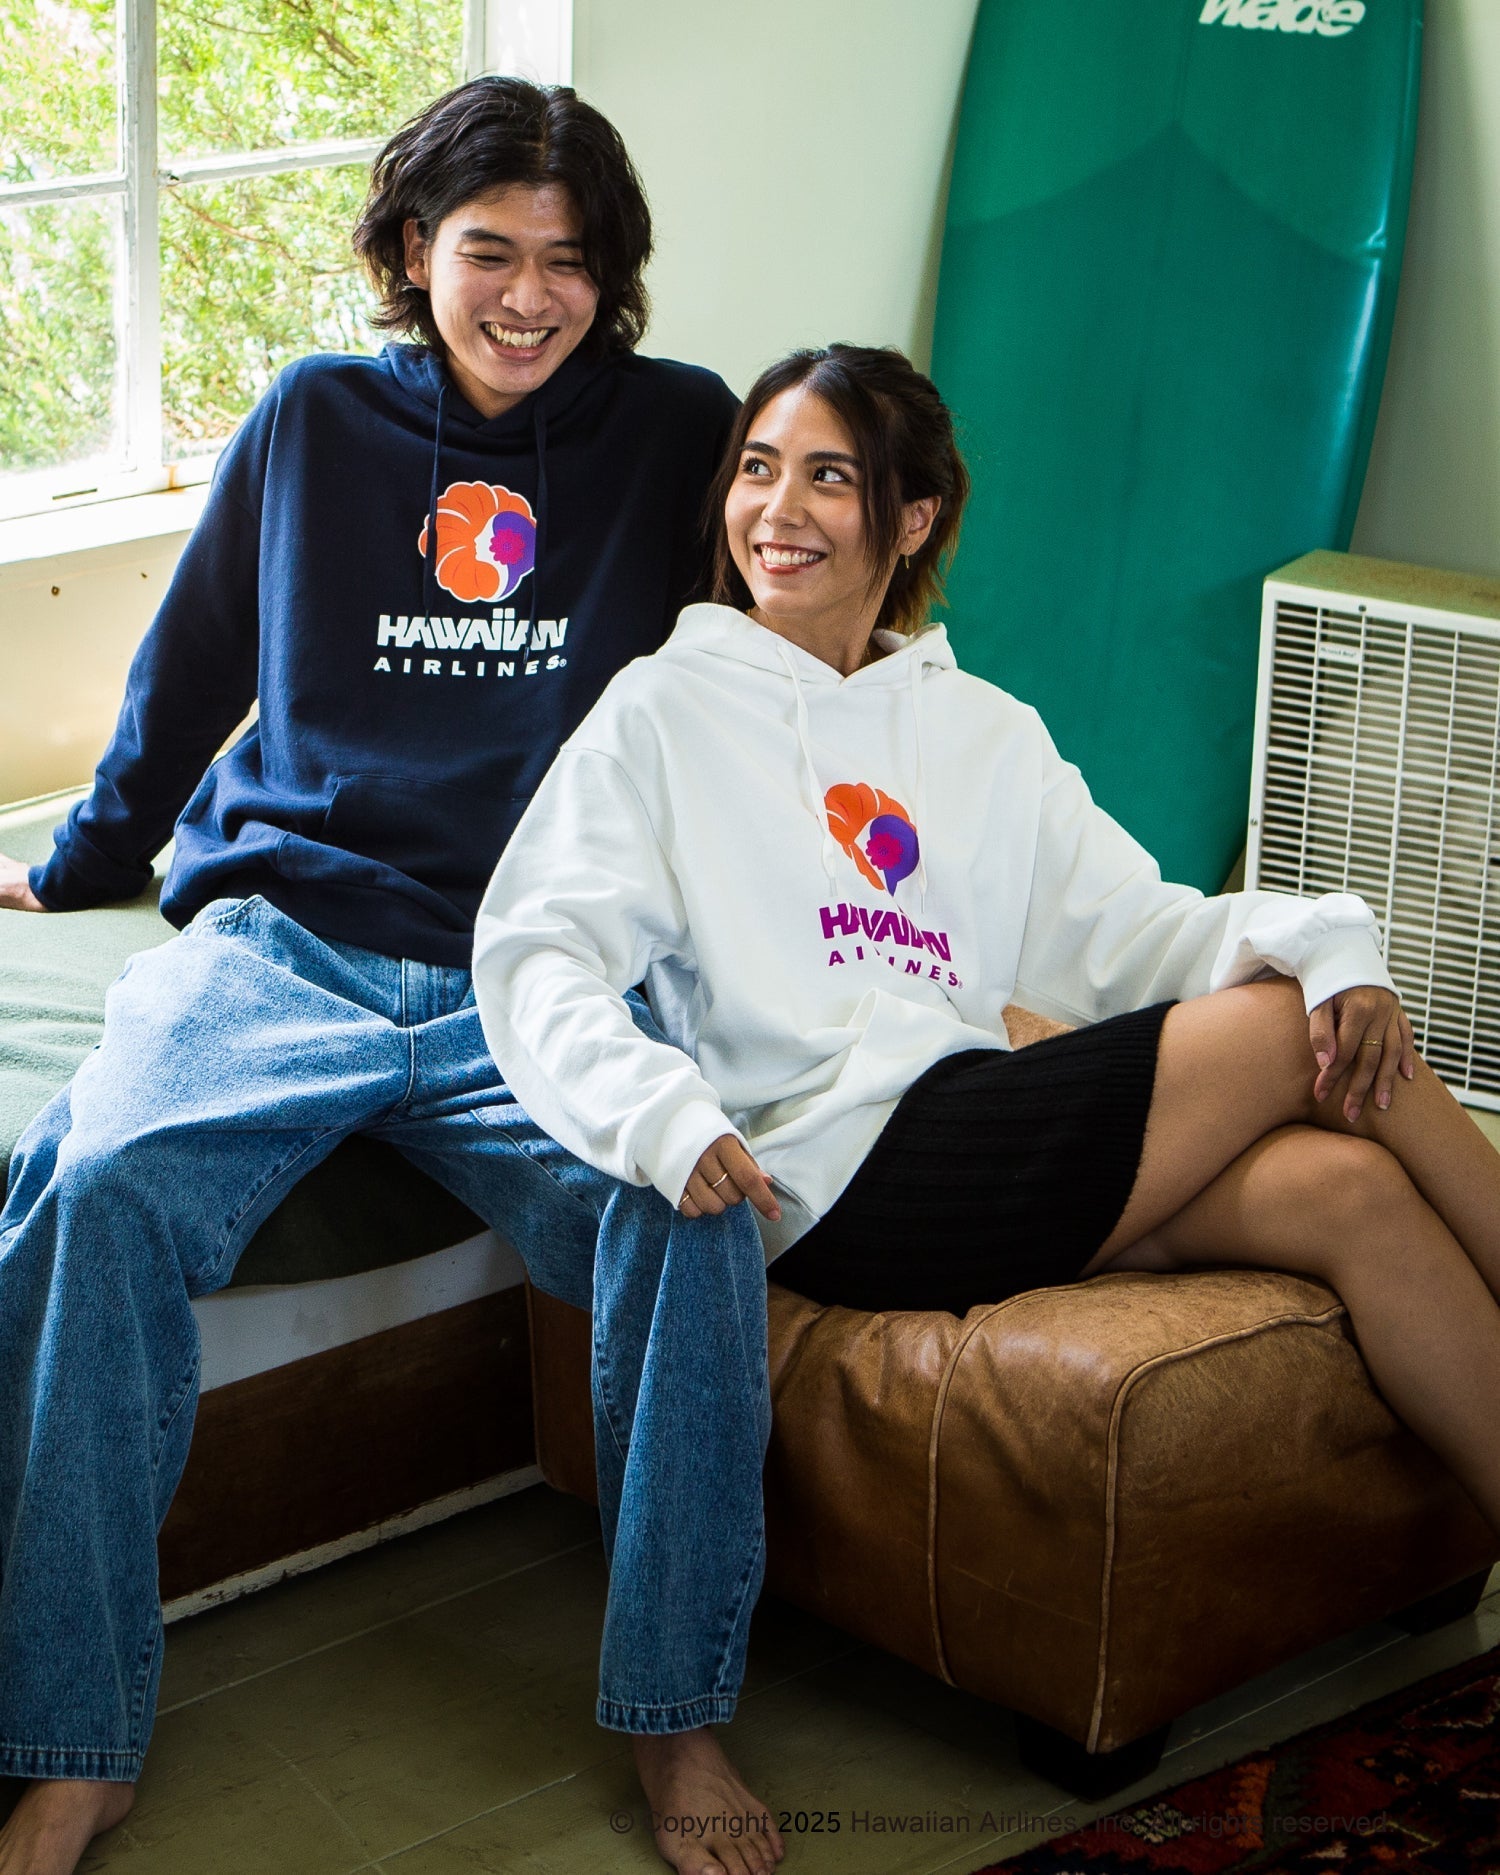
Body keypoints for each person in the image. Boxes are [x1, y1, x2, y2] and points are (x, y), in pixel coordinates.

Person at [473, 340, 1500, 1855]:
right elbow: (535, 952)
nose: (778, 510)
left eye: (830, 477)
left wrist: (1323, 936)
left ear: (913, 519)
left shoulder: (982, 730)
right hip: (831, 1170)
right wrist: (660, 1116)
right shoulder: (661, 711)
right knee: (1297, 1030)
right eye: (758, 468)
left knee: (1346, 1189)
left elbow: (1140, 934)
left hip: (978, 1133)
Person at [0, 77, 783, 1875]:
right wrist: (87, 859)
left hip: (544, 968)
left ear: (613, 276)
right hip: (289, 941)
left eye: (569, 262)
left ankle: (678, 1721)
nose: (529, 296)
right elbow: (193, 663)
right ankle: (73, 1742)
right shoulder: (312, 418)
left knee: (695, 1212)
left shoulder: (680, 431)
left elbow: (776, 648)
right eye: (490, 251)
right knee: (95, 1184)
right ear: (415, 248)